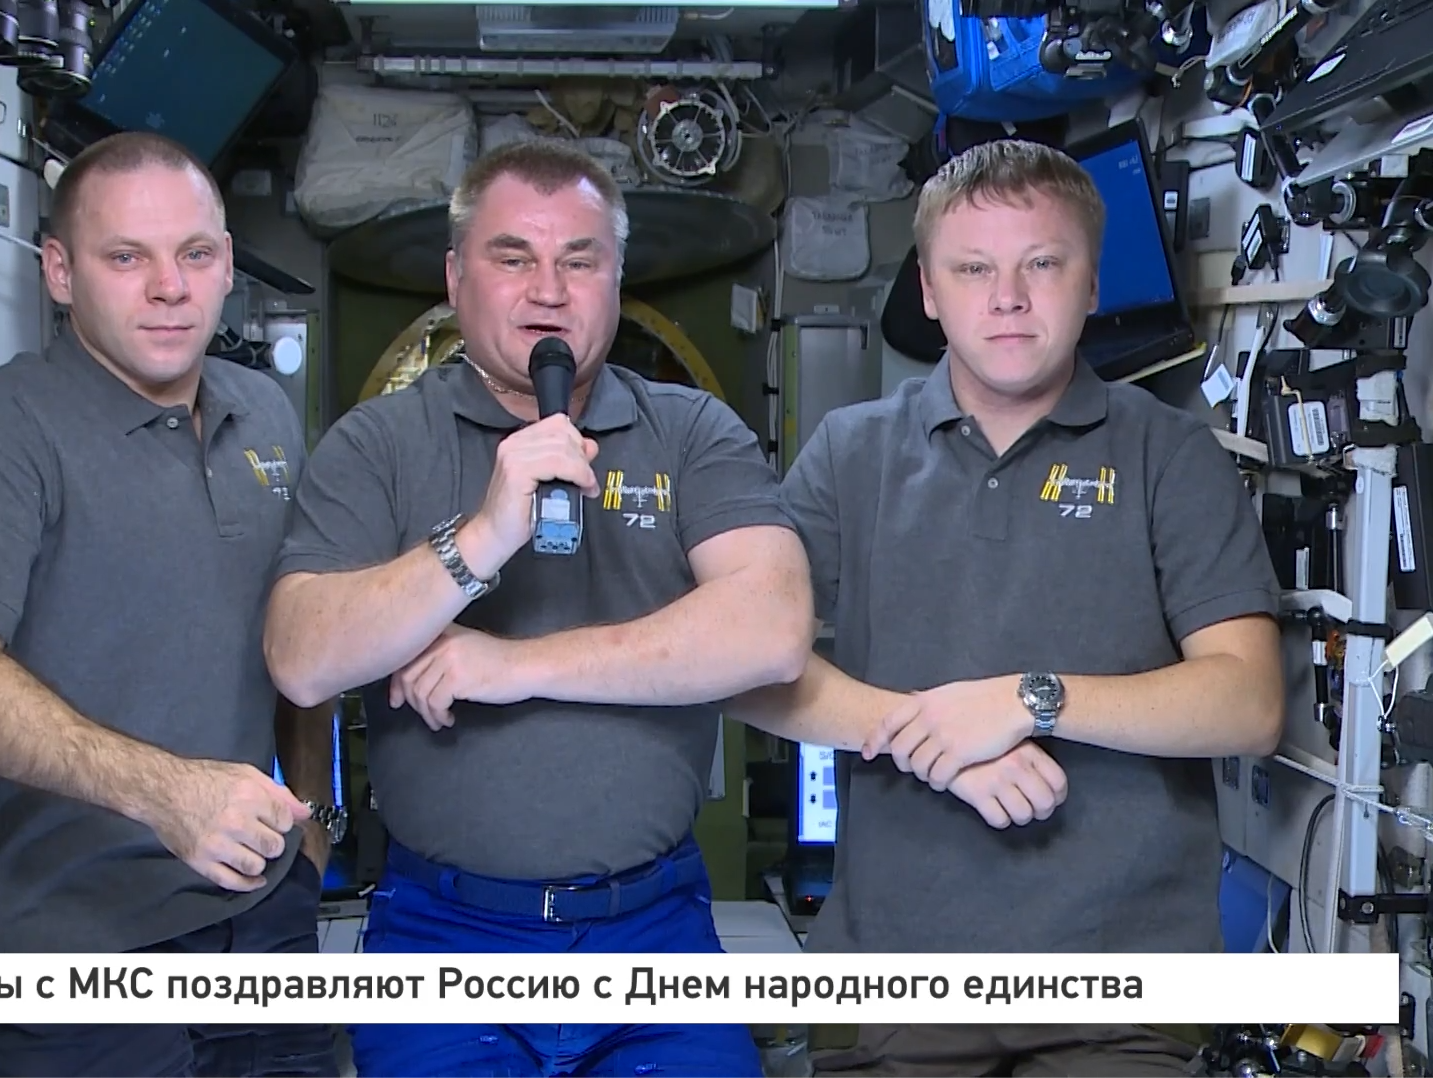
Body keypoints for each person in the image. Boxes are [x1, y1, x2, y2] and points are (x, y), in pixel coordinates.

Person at [264, 138, 813, 1077]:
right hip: (443, 940)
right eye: (513, 258)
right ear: (455, 278)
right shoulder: (377, 444)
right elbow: (301, 656)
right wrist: (480, 538)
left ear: (617, 280)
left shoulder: (690, 432)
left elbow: (773, 628)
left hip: (654, 936)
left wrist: (510, 666)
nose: (548, 291)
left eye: (579, 261)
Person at [737, 138, 1286, 1077]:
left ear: (1092, 283)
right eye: (973, 269)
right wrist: (937, 741)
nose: (1008, 298)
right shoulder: (849, 453)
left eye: (1042, 264)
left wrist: (1030, 700)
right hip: (898, 975)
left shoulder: (1170, 456)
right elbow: (747, 667)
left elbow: (1249, 703)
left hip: (1122, 989)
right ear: (929, 291)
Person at [0, 130, 339, 1078]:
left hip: (259, 913)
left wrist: (313, 814)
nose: (169, 288)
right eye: (127, 258)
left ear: (227, 264)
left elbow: (304, 626)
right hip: (70, 937)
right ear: (60, 273)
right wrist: (166, 793)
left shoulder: (265, 413)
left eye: (194, 254)